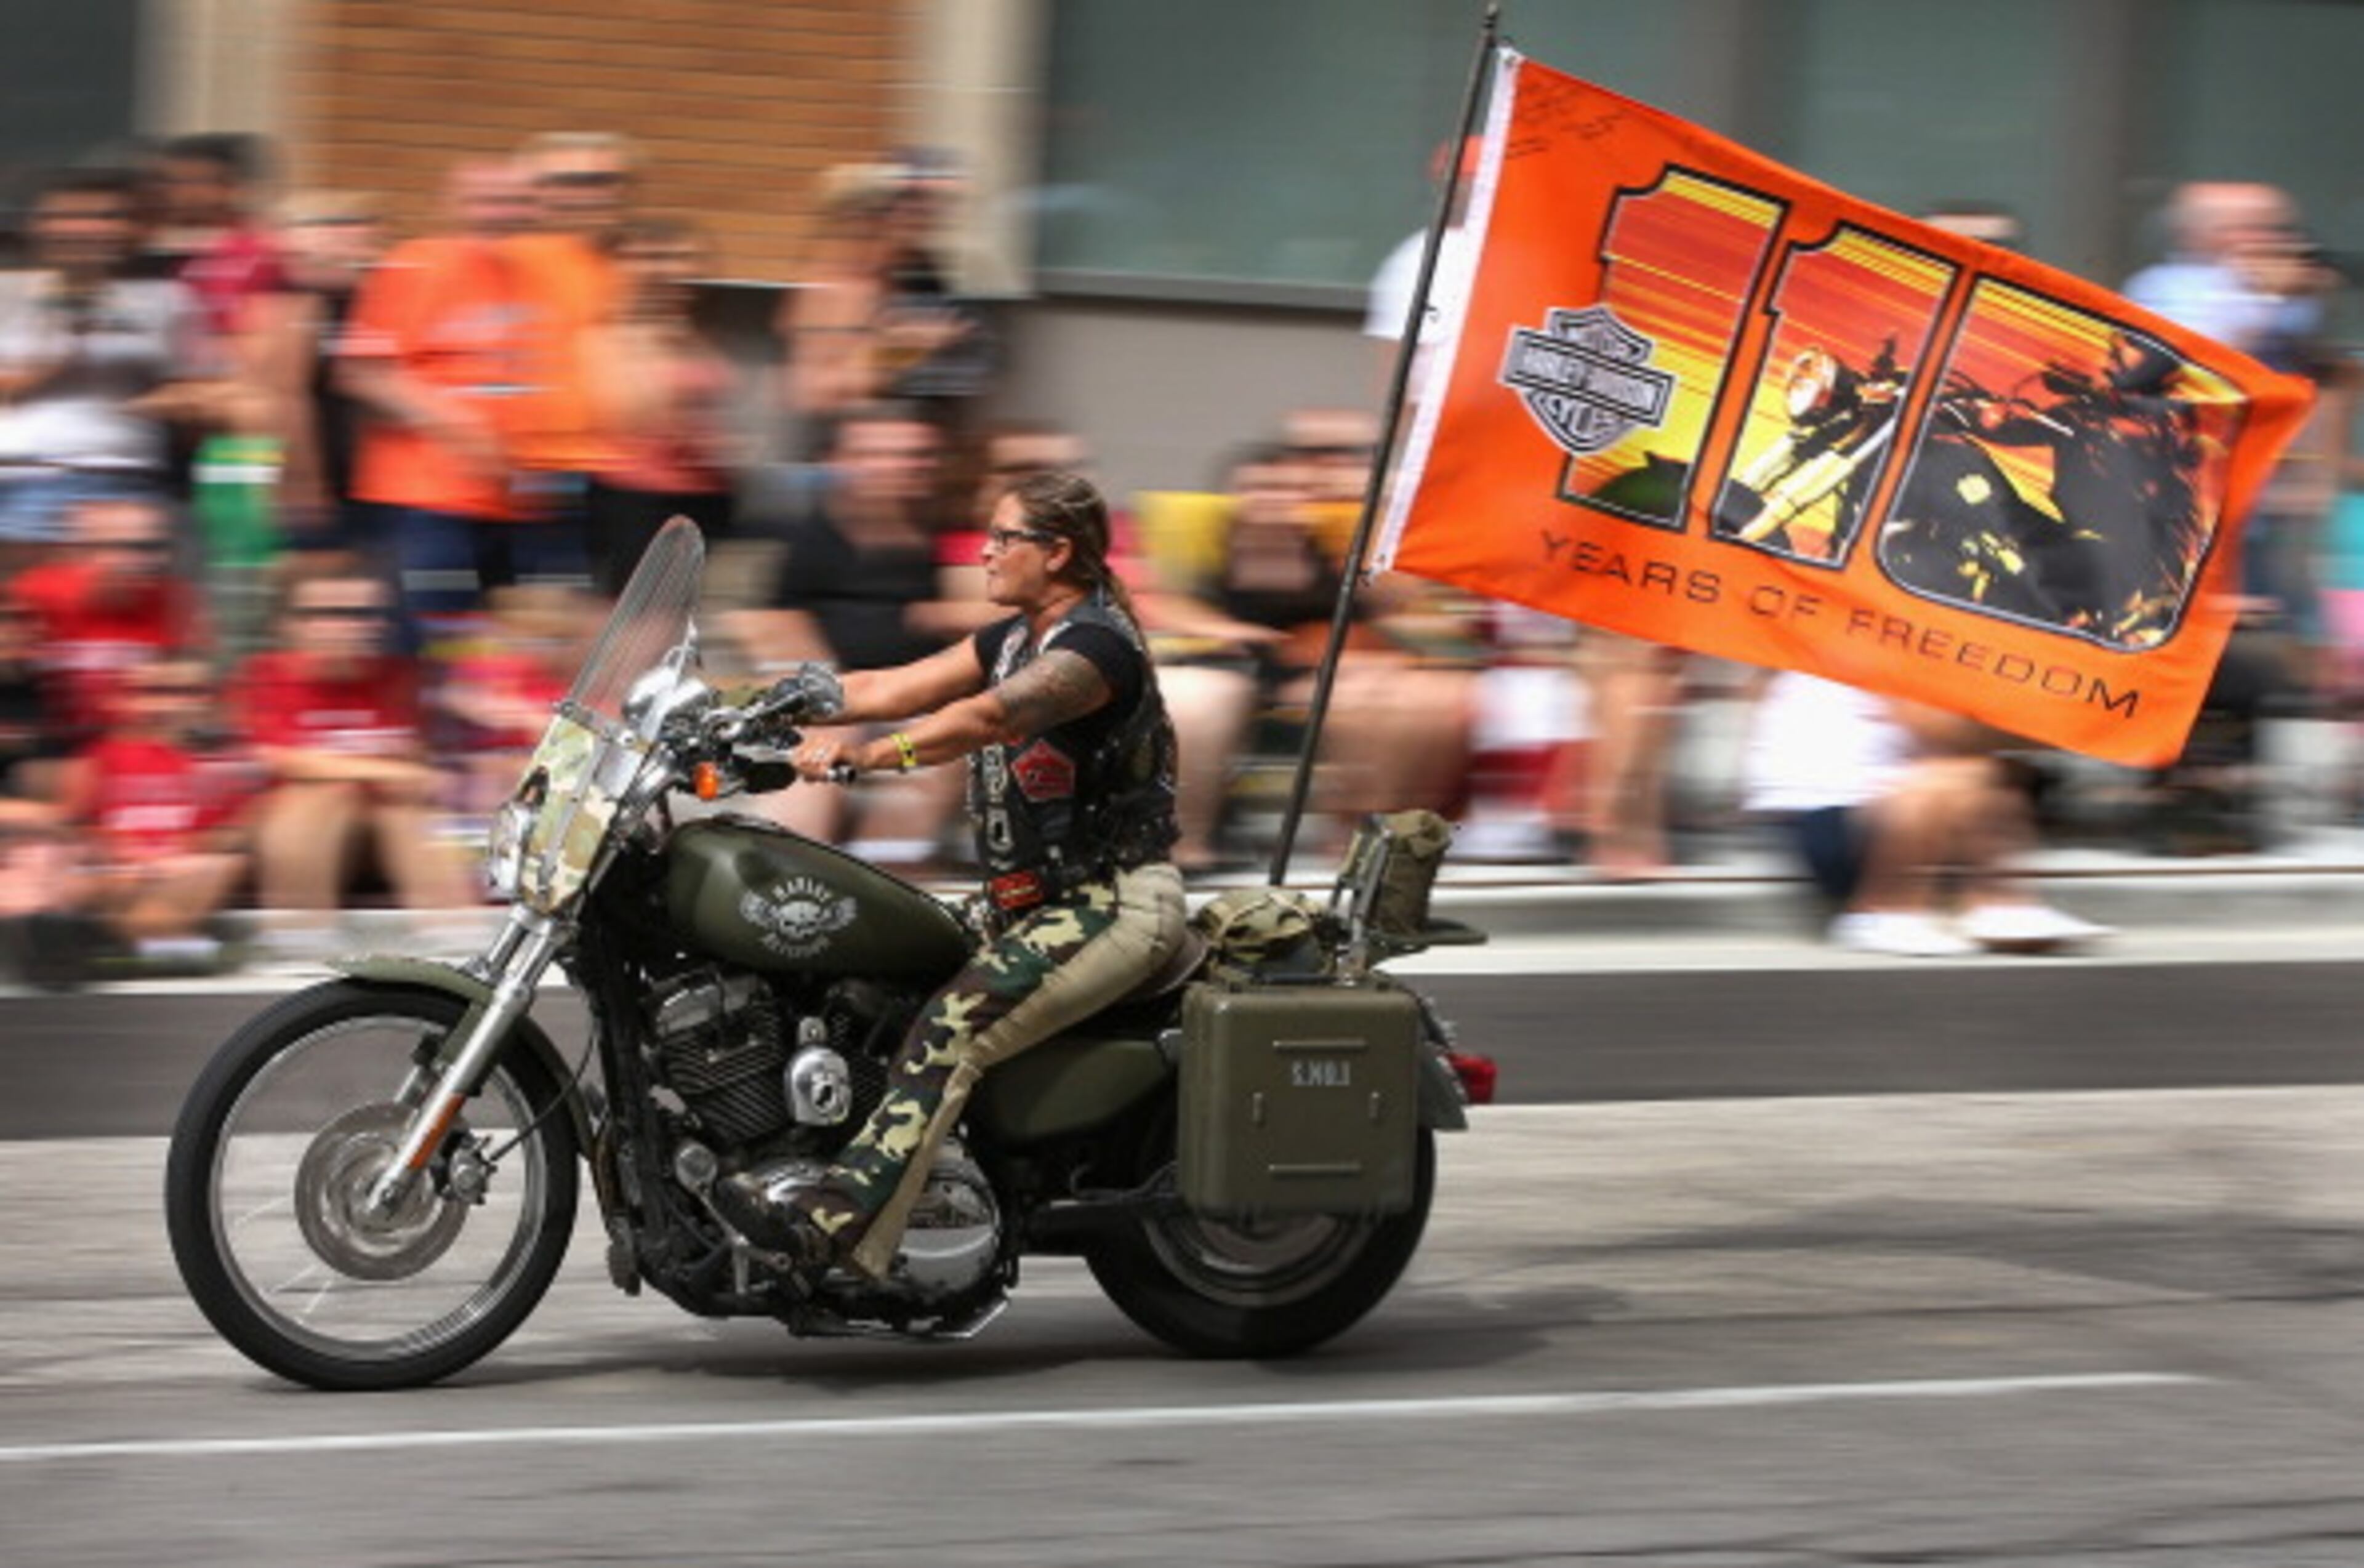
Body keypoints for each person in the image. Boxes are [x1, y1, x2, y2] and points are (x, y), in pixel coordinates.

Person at [714, 469, 1188, 1282]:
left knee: (951, 1028)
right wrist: (744, 707)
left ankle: (837, 1234)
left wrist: (870, 755)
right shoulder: (1008, 639)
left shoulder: (1095, 647)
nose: (983, 550)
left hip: (1111, 904)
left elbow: (992, 717)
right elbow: (887, 685)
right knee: (863, 985)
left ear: (1058, 550)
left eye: (1004, 537)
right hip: (1030, 909)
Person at [728, 401, 974, 867]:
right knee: (820, 744)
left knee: (935, 749)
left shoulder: (942, 534)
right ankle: (789, 875)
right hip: (837, 695)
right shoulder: (809, 538)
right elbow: (771, 622)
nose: (901, 467)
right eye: (881, 455)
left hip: (919, 697)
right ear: (843, 462)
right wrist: (830, 691)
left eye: (915, 456)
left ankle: (883, 883)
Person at [1743, 670, 2109, 955]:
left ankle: (2001, 908)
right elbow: (1940, 728)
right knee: (1966, 773)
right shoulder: (1882, 641)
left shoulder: (1861, 633)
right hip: (1823, 824)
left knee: (1986, 779)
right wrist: (2066, 729)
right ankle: (1881, 912)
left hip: (1830, 817)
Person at [231, 560, 470, 959]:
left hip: (378, 839)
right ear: (293, 624)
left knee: (400, 808)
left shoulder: (399, 677)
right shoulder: (265, 674)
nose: (357, 626)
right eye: (334, 614)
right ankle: (298, 938)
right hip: (290, 837)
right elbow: (285, 761)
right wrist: (388, 769)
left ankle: (458, 935)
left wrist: (408, 770)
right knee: (323, 794)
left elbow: (419, 767)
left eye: (368, 613)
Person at [0, 167, 217, 555]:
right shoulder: (8, 294)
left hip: (122, 482)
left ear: (132, 230)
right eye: (68, 217)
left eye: (106, 217)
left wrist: (156, 405)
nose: (86, 229)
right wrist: (61, 350)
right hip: (20, 477)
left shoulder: (166, 301)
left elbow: (204, 394)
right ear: (39, 226)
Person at [580, 214, 739, 595]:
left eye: (688, 259)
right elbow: (629, 416)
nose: (681, 271)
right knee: (638, 621)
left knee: (681, 621)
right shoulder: (610, 337)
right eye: (664, 259)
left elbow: (718, 411)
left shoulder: (693, 330)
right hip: (641, 501)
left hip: (706, 496)